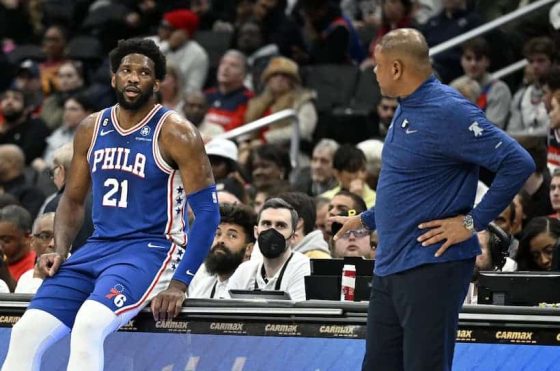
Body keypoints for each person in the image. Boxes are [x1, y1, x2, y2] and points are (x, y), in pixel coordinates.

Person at [1, 38, 220, 371]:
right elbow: (72, 200)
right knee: (26, 333)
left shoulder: (176, 132)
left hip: (150, 250)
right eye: (126, 70)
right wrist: (59, 250)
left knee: (89, 325)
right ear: (113, 78)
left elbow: (207, 213)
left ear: (157, 83)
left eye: (144, 72)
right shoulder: (91, 127)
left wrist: (180, 282)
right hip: (97, 247)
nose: (133, 78)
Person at [330, 29, 534, 371]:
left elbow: (519, 163)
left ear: (396, 68)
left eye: (377, 67)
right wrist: (366, 220)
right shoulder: (408, 106)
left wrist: (472, 222)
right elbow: (411, 187)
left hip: (432, 265)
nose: (374, 74)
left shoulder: (448, 110)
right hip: (391, 265)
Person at [226, 198, 310, 301]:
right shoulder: (244, 271)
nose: (272, 231)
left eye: (280, 225)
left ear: (293, 236)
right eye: (266, 224)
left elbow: (295, 313)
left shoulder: (303, 268)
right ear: (256, 232)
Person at [188, 203, 256, 298]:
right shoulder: (203, 286)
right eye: (217, 233)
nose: (221, 240)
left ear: (249, 249)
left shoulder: (253, 285)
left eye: (232, 235)